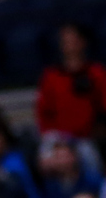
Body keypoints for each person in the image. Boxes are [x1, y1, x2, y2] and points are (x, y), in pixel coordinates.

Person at [37, 23, 106, 169]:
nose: (69, 45)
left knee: (89, 158)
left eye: (72, 40)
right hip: (58, 140)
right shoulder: (51, 76)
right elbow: (44, 114)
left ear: (83, 42)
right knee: (46, 161)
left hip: (88, 140)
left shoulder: (96, 73)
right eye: (64, 41)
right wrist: (54, 140)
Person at [38, 132, 103, 198]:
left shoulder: (92, 180)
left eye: (65, 156)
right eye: (58, 157)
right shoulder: (50, 185)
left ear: (74, 157)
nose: (62, 162)